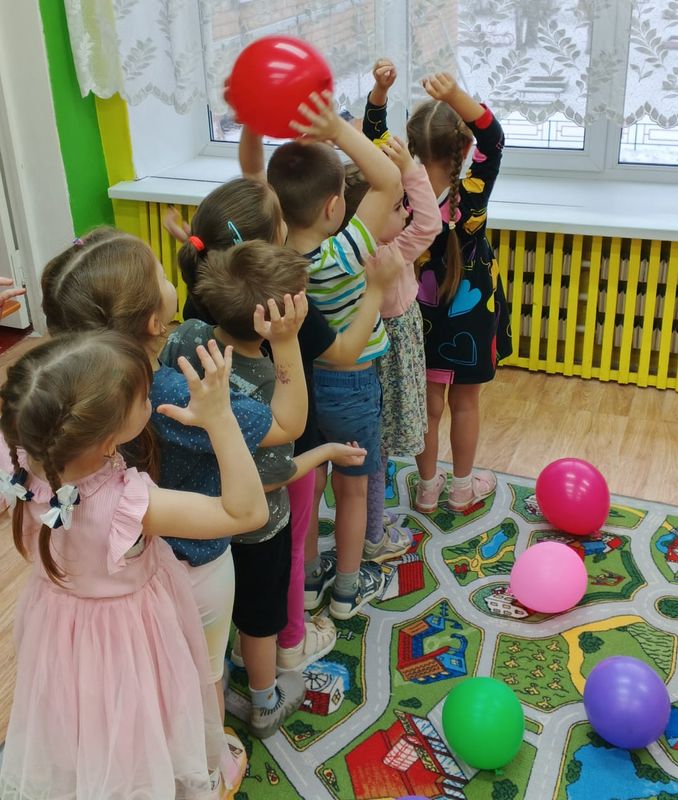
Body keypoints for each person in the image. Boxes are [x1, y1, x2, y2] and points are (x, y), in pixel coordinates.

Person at [40, 228, 304, 723]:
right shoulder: (177, 393)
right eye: (162, 274)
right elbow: (288, 424)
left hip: (120, 569)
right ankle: (212, 746)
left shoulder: (61, 395)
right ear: (154, 321)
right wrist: (286, 342)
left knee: (162, 669)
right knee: (205, 674)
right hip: (198, 562)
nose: (170, 277)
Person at [0, 330, 267, 799]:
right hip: (131, 638)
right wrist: (220, 419)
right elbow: (247, 513)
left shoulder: (17, 459)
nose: (151, 399)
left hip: (59, 632)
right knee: (146, 721)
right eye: (144, 397)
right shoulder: (130, 503)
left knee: (82, 722)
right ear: (108, 439)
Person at [165, 176, 403, 665]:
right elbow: (343, 353)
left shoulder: (201, 299)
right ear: (270, 241)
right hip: (280, 463)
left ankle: (246, 639)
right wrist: (375, 291)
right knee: (286, 554)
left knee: (247, 561)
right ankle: (291, 645)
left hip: (216, 473)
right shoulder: (288, 306)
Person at [162, 239, 367, 737]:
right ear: (280, 318)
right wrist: (325, 451)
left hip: (194, 521)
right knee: (259, 620)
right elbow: (278, 466)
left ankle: (206, 682)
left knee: (207, 616)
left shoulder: (188, 336)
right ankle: (265, 700)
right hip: (257, 529)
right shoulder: (268, 385)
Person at [261, 90, 403, 619]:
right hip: (352, 386)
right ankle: (346, 590)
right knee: (353, 492)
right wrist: (340, 130)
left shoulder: (275, 257)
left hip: (296, 386)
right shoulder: (343, 251)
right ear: (334, 207)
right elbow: (388, 181)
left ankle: (308, 580)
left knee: (310, 481)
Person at [342, 58, 440, 561]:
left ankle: (365, 520)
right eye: (398, 205)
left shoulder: (343, 251)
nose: (405, 210)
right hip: (387, 352)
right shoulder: (391, 251)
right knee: (376, 451)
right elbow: (430, 224)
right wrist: (410, 171)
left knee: (367, 449)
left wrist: (377, 101)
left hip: (358, 361)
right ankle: (374, 534)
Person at [405, 72, 512, 513]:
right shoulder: (473, 191)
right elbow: (495, 138)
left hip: (421, 317)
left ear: (411, 146)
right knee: (465, 404)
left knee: (429, 407)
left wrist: (378, 96)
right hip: (473, 316)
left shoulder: (402, 195)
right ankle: (462, 488)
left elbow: (371, 142)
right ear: (465, 148)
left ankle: (427, 489)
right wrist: (454, 95)